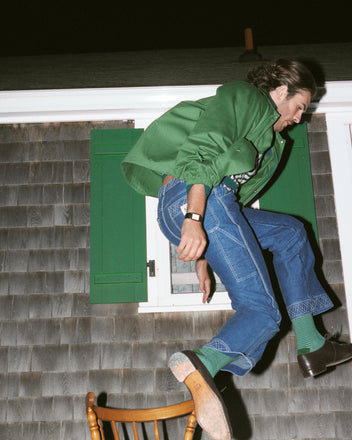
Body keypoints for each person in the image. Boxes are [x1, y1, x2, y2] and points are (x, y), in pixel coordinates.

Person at [121, 59, 352, 440]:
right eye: (298, 107)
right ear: (280, 92)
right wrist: (194, 217)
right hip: (193, 200)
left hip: (208, 209)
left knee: (290, 233)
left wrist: (203, 255)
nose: (298, 118)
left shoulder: (272, 143)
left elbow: (234, 206)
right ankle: (204, 363)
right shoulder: (247, 100)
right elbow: (203, 151)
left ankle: (312, 344)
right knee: (262, 310)